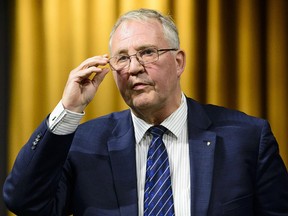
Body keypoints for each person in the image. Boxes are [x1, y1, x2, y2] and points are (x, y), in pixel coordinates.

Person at [3, 8, 288, 216]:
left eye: (147, 52)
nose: (134, 68)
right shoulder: (83, 143)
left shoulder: (248, 138)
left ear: (178, 62)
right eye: (122, 58)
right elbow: (25, 202)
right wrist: (68, 109)